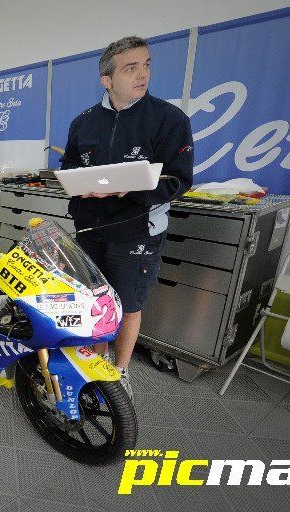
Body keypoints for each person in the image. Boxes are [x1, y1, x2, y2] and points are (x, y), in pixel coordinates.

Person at [60, 35, 193, 398]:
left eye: (146, 65)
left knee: (127, 304)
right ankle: (94, 365)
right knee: (93, 302)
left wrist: (130, 188)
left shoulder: (169, 119)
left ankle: (119, 374)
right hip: (89, 229)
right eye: (130, 67)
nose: (142, 74)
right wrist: (78, 183)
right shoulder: (83, 121)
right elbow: (69, 164)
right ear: (107, 79)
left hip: (137, 231)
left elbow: (179, 180)